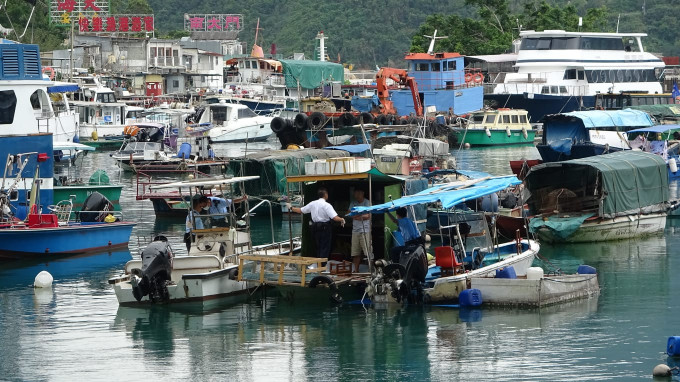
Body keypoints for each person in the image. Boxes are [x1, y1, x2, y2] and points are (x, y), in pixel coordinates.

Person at [289, 188, 345, 259]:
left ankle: (318, 262)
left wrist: (291, 208)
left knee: (317, 246)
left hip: (315, 227)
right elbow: (334, 217)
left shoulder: (313, 203)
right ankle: (322, 265)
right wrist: (341, 219)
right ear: (325, 195)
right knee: (324, 247)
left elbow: (300, 210)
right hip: (325, 227)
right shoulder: (327, 205)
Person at [348, 189, 372, 272]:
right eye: (355, 194)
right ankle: (356, 270)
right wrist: (360, 215)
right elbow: (349, 214)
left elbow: (368, 215)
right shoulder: (353, 203)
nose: (357, 195)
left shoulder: (367, 202)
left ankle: (370, 270)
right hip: (355, 231)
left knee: (368, 252)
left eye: (358, 193)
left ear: (362, 193)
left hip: (365, 230)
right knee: (355, 253)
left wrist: (356, 215)